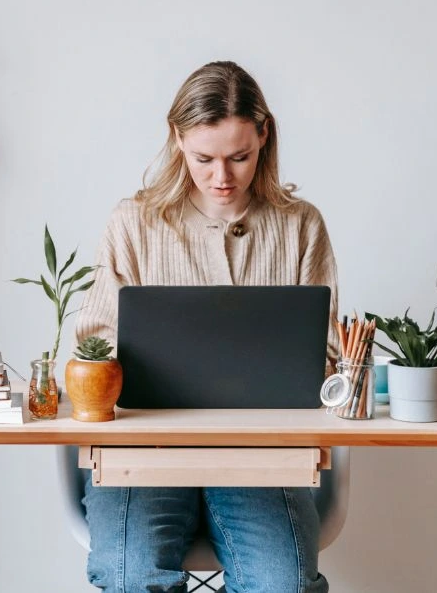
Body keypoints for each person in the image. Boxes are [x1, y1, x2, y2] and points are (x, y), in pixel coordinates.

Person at [74, 60, 338, 593]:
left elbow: (327, 360)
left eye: (239, 157)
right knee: (131, 578)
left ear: (263, 135)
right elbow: (93, 346)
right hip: (142, 458)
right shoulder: (134, 222)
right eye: (204, 159)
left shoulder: (300, 224)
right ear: (177, 139)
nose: (223, 177)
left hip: (262, 460)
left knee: (281, 584)